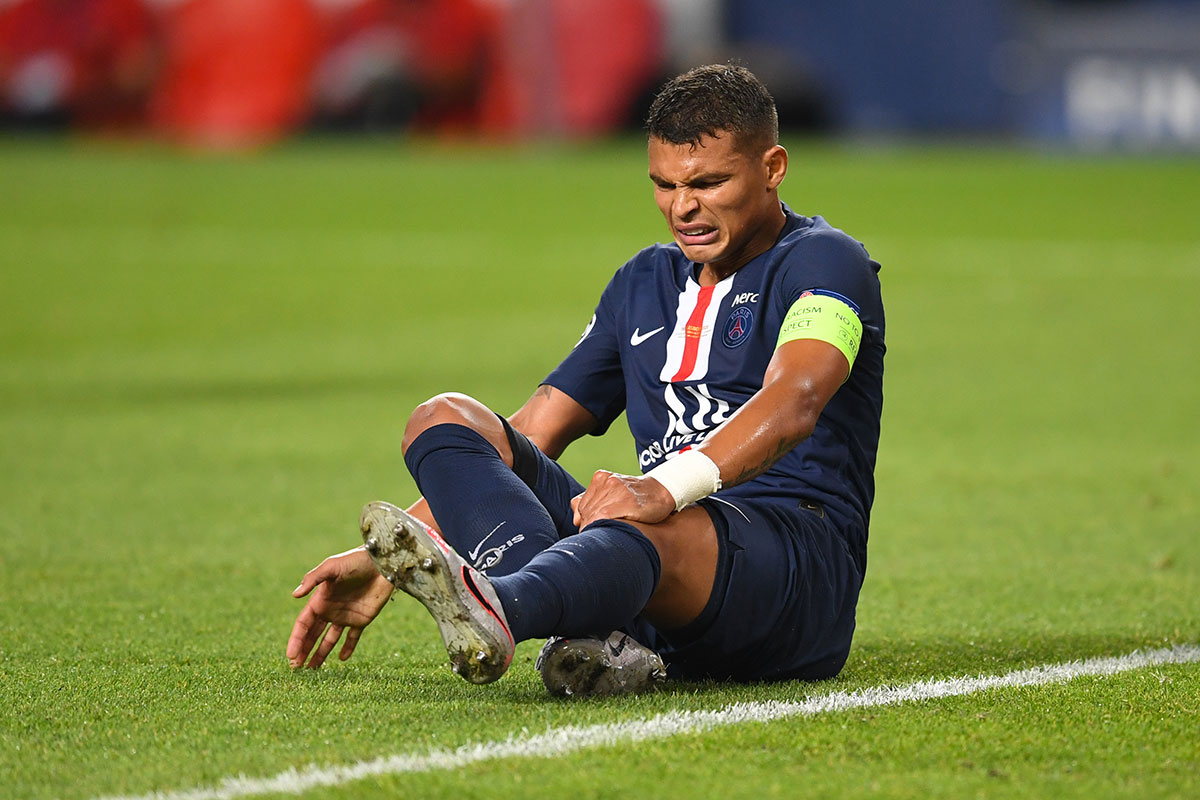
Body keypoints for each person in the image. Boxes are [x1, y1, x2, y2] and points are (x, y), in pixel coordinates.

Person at [286, 63, 885, 696]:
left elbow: (796, 400)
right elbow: (531, 434)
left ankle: (505, 607)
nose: (683, 207)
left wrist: (662, 489)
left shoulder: (826, 261)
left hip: (793, 570)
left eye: (709, 183)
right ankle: (590, 638)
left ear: (772, 168)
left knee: (643, 523)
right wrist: (391, 558)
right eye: (664, 185)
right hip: (650, 555)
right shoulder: (642, 283)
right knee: (447, 420)